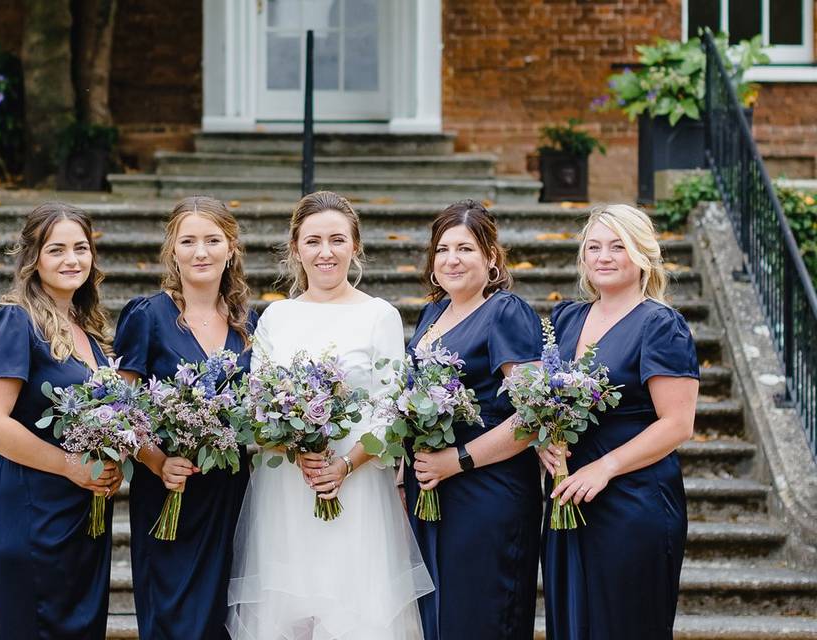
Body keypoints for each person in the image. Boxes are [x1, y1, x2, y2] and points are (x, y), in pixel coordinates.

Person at [227, 190, 433, 640]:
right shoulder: (277, 317)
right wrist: (295, 448)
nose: (326, 252)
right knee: (291, 614)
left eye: (337, 240)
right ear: (296, 248)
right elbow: (255, 407)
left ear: (354, 246)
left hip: (356, 490)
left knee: (354, 612)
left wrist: (343, 465)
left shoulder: (380, 316)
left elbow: (392, 413)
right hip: (287, 489)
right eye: (314, 241)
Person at [540, 204, 699, 640]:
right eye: (594, 247)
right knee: (572, 622)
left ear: (642, 255)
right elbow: (544, 403)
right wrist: (544, 442)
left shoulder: (661, 325)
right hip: (568, 496)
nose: (604, 257)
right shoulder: (566, 319)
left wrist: (605, 467)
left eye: (618, 246)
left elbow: (678, 424)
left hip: (634, 500)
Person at [0, 202, 121, 639]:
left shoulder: (88, 334)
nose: (71, 260)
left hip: (81, 518)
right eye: (56, 250)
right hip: (33, 513)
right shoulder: (13, 321)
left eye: (81, 248)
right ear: (32, 259)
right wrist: (71, 466)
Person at [114, 196, 256, 640]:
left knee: (220, 616)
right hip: (167, 490)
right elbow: (117, 408)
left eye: (213, 240)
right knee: (172, 614)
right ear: (172, 250)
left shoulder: (248, 323)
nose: (201, 252)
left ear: (230, 248)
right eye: (189, 241)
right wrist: (157, 461)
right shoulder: (148, 316)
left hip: (230, 490)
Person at [403, 199, 543, 640]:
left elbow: (533, 415)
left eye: (465, 248)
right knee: (438, 618)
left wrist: (457, 460)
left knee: (479, 615)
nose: (451, 260)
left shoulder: (505, 312)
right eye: (443, 249)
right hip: (432, 490)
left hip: (487, 489)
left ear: (491, 256)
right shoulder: (433, 314)